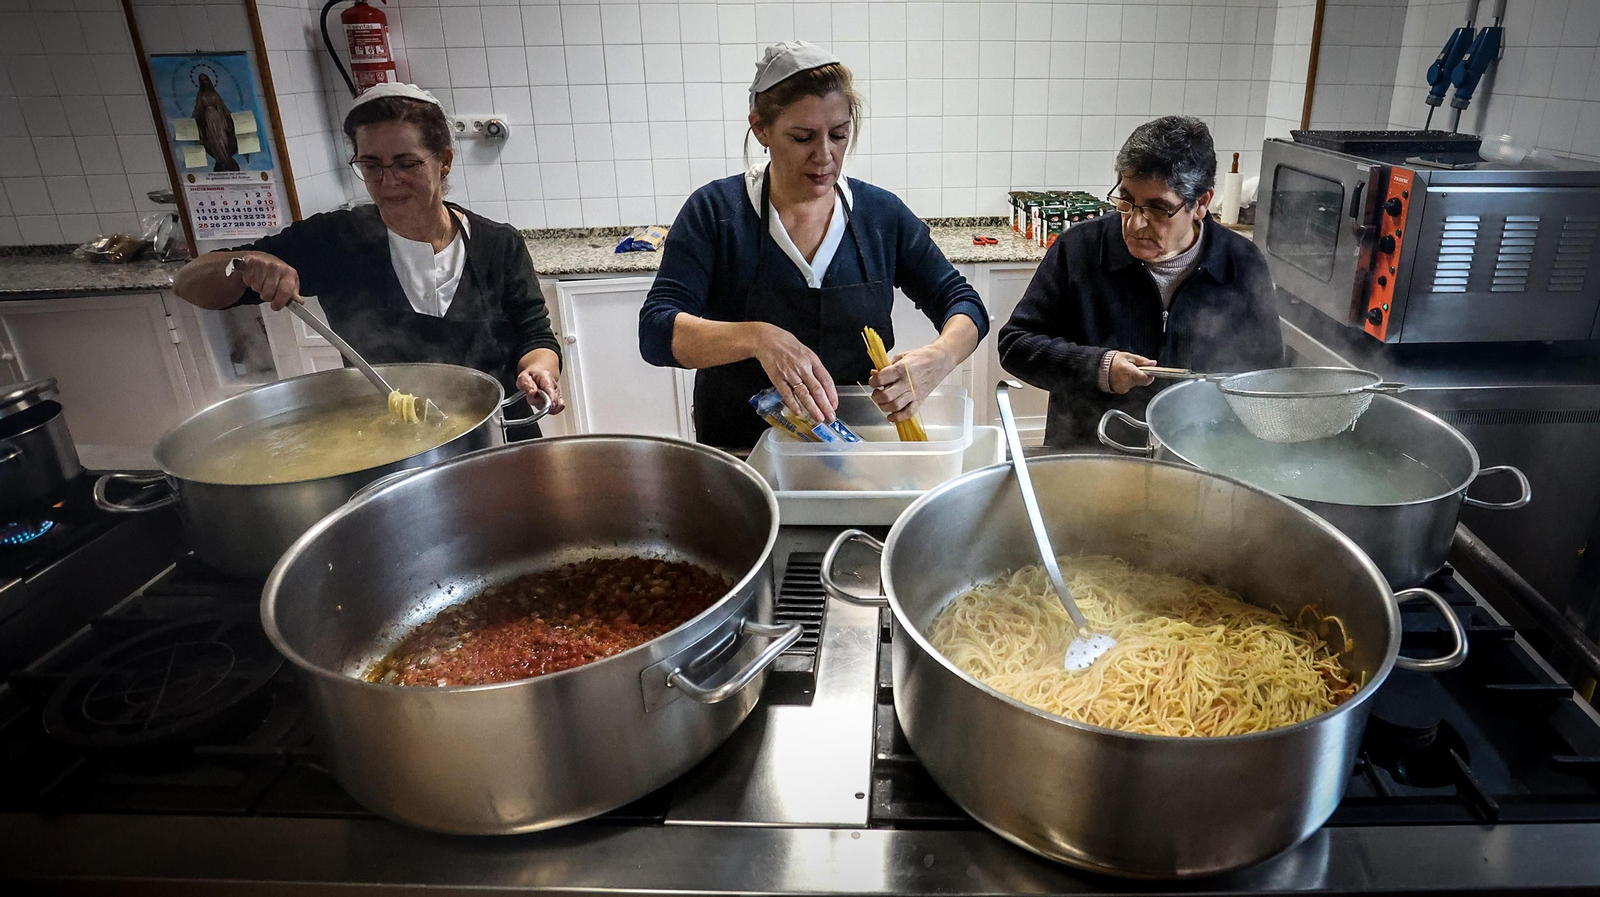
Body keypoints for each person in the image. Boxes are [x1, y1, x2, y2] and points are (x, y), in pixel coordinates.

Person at [639, 41, 988, 450]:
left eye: (838, 135)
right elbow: (656, 330)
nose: (824, 155)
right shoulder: (716, 214)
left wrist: (940, 357)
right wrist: (757, 337)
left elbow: (964, 303)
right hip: (742, 450)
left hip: (857, 446)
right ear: (761, 129)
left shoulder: (880, 216)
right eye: (803, 137)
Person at [173, 83, 564, 433]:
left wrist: (539, 370)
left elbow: (535, 336)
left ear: (443, 160)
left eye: (407, 164)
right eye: (371, 165)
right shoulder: (336, 240)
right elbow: (190, 284)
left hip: (498, 430)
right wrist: (247, 262)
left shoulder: (498, 244)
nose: (388, 181)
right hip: (388, 438)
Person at [998, 116, 1283, 449]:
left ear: (1201, 203)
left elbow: (1267, 378)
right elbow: (1016, 345)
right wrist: (1098, 368)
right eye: (1126, 199)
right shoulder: (1080, 249)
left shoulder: (1240, 263)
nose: (1134, 223)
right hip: (1086, 453)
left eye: (1158, 209)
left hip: (1197, 455)